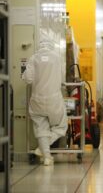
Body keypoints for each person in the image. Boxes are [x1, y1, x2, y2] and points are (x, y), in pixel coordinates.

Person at [22, 35, 67, 166]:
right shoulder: (57, 58)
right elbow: (63, 79)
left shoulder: (33, 58)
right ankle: (44, 149)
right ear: (51, 45)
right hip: (54, 100)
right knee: (61, 126)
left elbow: (27, 79)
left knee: (41, 128)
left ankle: (47, 157)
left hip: (37, 100)